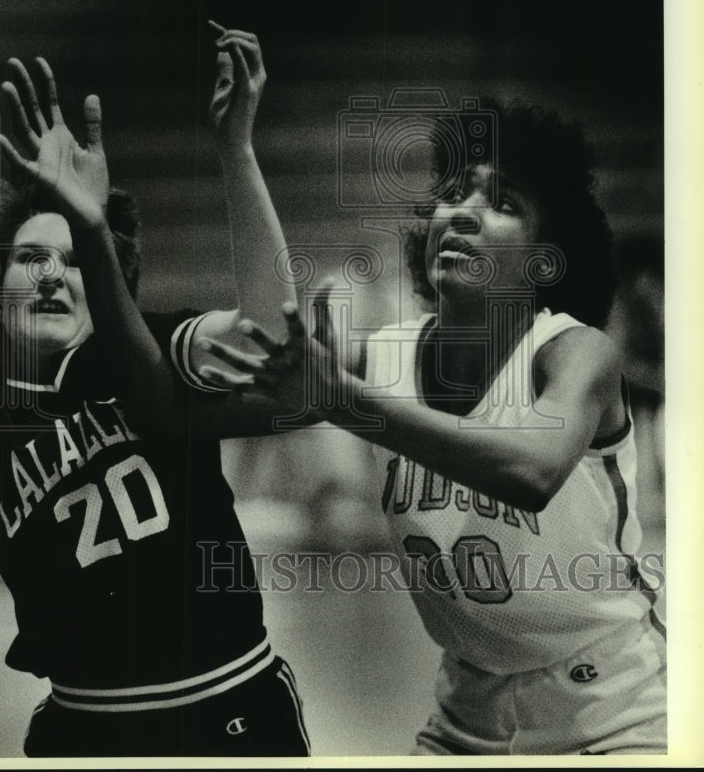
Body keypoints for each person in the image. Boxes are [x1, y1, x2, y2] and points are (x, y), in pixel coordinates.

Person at [199, 101, 667, 756]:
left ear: (541, 258)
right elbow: (239, 377)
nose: (463, 211)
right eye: (451, 194)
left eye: (502, 202)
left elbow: (531, 472)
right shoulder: (380, 356)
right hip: (465, 715)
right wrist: (236, 151)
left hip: (615, 711)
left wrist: (346, 401)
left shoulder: (574, 352)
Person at [0, 24, 311, 758]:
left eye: (75, 259)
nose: (50, 275)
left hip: (226, 703)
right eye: (30, 257)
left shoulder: (139, 354)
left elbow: (270, 333)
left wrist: (234, 150)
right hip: (83, 724)